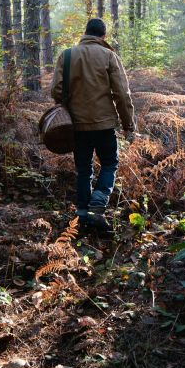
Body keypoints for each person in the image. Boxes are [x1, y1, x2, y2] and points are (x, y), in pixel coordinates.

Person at [51, 18, 136, 232]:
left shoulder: (67, 55)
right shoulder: (109, 56)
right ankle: (97, 206)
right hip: (105, 124)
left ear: (85, 32)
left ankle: (82, 214)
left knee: (83, 169)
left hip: (77, 126)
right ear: (103, 36)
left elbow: (56, 90)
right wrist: (129, 126)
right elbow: (122, 95)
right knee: (109, 164)